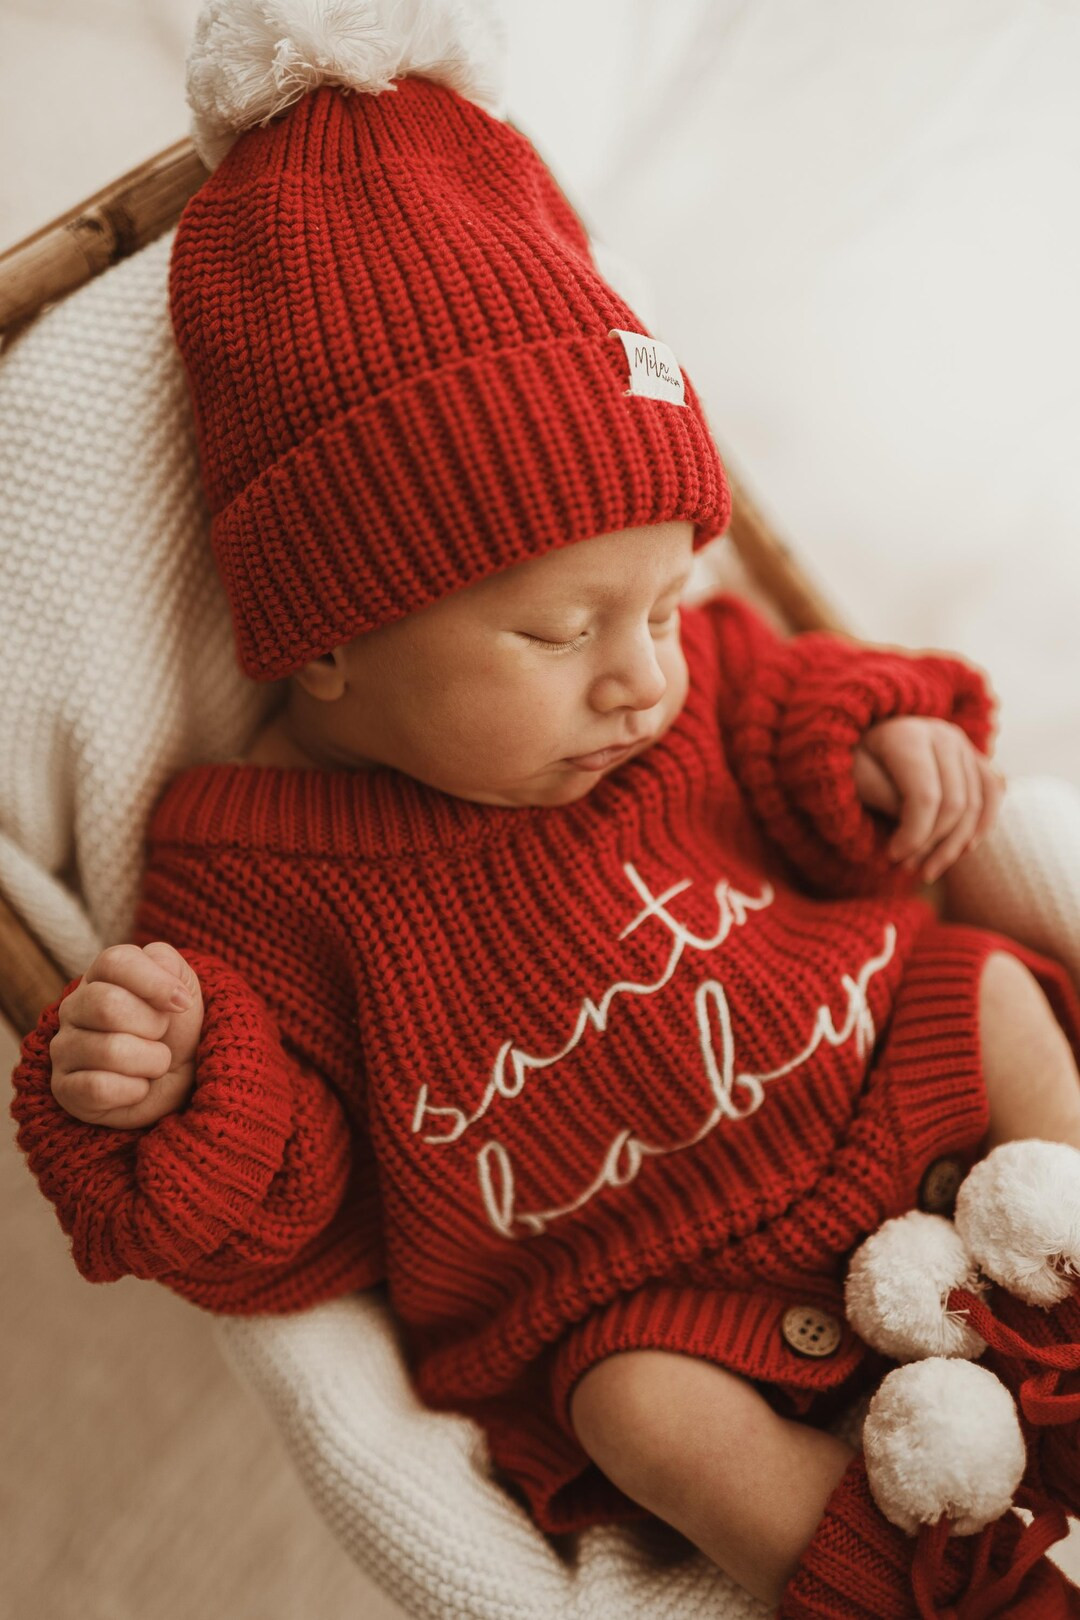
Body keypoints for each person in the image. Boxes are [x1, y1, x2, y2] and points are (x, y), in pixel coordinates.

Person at [11, 4, 1080, 1613]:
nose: (640, 678)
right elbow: (302, 1218)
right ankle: (913, 1581)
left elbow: (795, 715)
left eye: (660, 602)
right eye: (560, 631)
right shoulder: (242, 878)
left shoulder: (681, 686)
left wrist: (882, 754)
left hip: (883, 1079)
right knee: (634, 1413)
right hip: (642, 1289)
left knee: (991, 986)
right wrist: (185, 1092)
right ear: (329, 645)